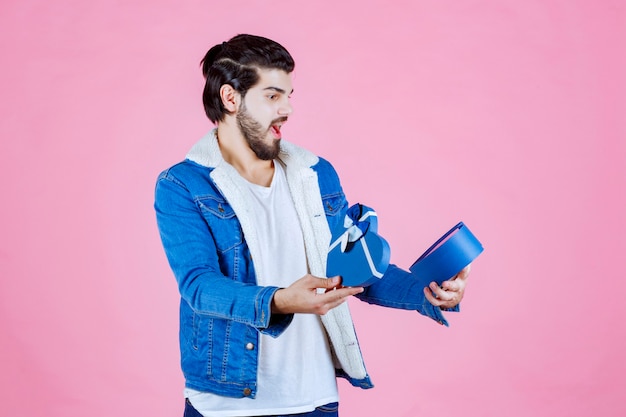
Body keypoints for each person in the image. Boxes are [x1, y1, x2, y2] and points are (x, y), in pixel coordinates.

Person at [154, 34, 469, 417]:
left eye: (288, 95)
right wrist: (280, 301)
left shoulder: (315, 174)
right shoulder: (184, 185)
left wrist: (429, 291)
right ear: (231, 99)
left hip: (315, 401)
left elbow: (353, 272)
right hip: (224, 404)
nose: (287, 108)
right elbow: (199, 286)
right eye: (272, 96)